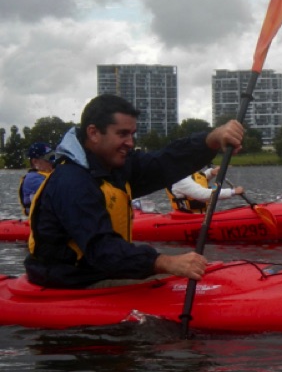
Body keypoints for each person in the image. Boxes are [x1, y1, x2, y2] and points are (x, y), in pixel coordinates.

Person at [25, 93, 244, 288]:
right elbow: (102, 249)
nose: (130, 142)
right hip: (71, 284)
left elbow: (164, 161)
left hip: (98, 273)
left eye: (132, 134)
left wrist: (211, 140)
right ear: (93, 133)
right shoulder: (72, 182)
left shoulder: (113, 168)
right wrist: (164, 262)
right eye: (122, 134)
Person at [167, 165, 244, 213]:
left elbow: (197, 179)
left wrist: (211, 172)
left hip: (202, 216)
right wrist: (233, 192)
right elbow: (203, 195)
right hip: (189, 218)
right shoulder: (179, 180)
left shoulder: (184, 174)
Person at [19, 142, 56, 216]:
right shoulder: (32, 179)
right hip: (41, 221)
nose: (53, 162)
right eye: (49, 158)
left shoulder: (52, 174)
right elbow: (57, 193)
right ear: (35, 161)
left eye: (54, 157)